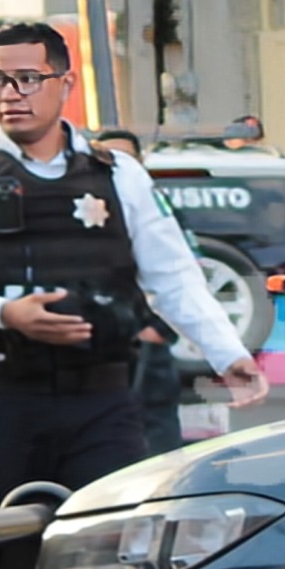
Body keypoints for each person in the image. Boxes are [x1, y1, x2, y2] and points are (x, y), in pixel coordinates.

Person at [0, 24, 267, 508]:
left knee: (111, 545)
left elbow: (173, 275)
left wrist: (228, 354)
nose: (10, 94)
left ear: (65, 84)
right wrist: (4, 314)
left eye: (28, 78)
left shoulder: (118, 173)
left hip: (102, 398)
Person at [88, 129, 190, 457]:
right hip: (98, 348)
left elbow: (184, 274)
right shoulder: (82, 211)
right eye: (108, 157)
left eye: (126, 158)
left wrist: (158, 331)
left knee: (158, 444)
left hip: (147, 343)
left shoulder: (159, 212)